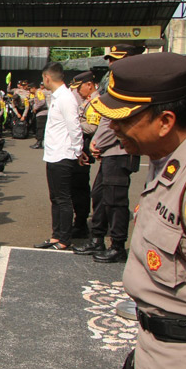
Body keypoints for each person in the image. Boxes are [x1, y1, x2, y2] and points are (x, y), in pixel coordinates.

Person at [88, 52, 186, 369]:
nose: (113, 130)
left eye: (123, 121)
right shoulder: (165, 158)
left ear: (165, 121)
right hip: (149, 352)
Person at [72, 84, 141, 262]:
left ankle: (118, 245)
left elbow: (112, 124)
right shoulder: (115, 94)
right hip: (109, 152)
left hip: (120, 151)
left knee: (115, 201)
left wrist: (97, 144)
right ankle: (97, 239)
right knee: (100, 196)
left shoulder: (125, 95)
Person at [35, 62, 82, 250]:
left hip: (63, 155)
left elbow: (74, 126)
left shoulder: (66, 98)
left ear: (47, 77)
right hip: (53, 154)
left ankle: (64, 239)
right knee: (54, 198)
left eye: (43, 78)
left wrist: (78, 151)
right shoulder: (57, 96)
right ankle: (56, 235)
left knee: (63, 199)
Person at [69, 71, 100, 239]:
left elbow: (92, 127)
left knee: (80, 187)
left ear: (89, 85)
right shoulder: (88, 101)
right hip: (82, 146)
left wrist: (73, 123)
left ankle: (81, 224)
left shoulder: (95, 102)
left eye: (80, 88)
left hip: (86, 148)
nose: (78, 92)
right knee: (76, 186)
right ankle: (79, 221)